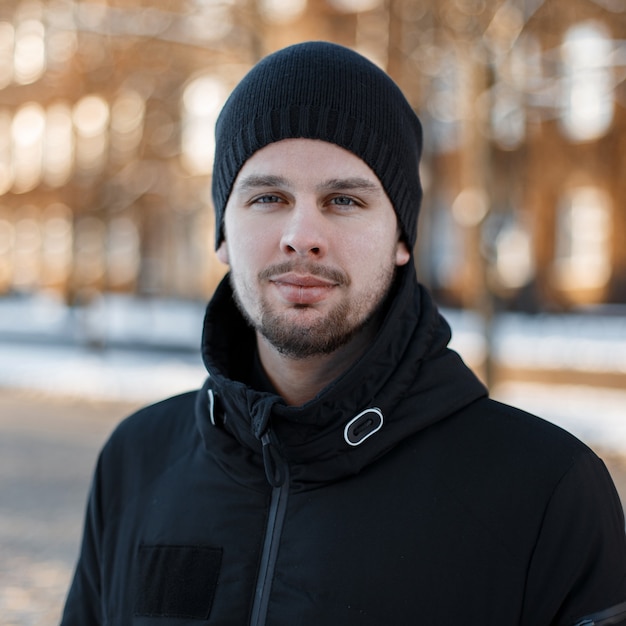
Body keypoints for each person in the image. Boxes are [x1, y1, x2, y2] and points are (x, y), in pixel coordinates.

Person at [61, 41, 626, 626]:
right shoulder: (137, 461)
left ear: (402, 237)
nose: (302, 235)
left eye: (344, 199)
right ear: (223, 233)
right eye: (269, 197)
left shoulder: (545, 490)